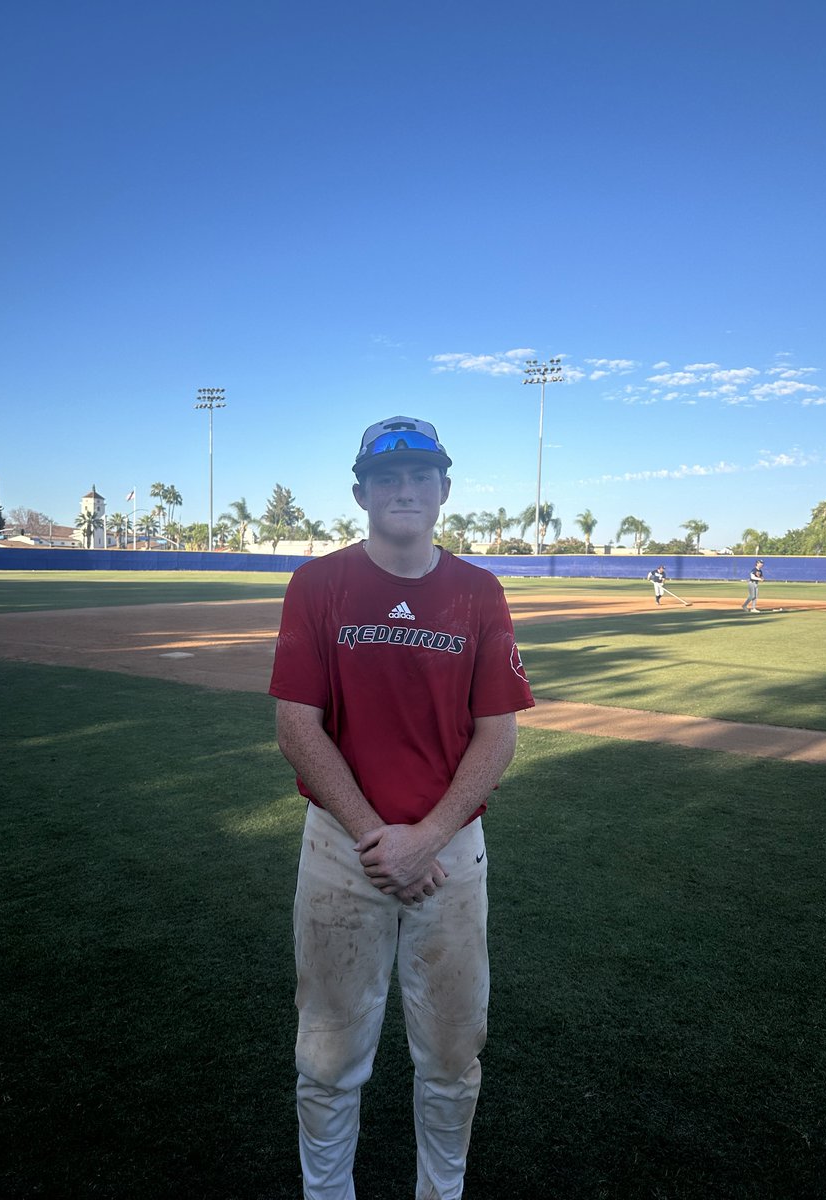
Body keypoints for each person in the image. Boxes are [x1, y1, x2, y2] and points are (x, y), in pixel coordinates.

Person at [269, 415, 536, 1200]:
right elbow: (296, 724)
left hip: (450, 853)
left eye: (422, 476)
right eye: (388, 478)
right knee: (326, 1052)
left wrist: (428, 837)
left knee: (453, 1053)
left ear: (445, 490)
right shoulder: (318, 585)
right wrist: (377, 837)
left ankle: (440, 1192)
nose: (406, 490)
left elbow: (498, 737)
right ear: (361, 493)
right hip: (338, 851)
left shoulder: (479, 593)